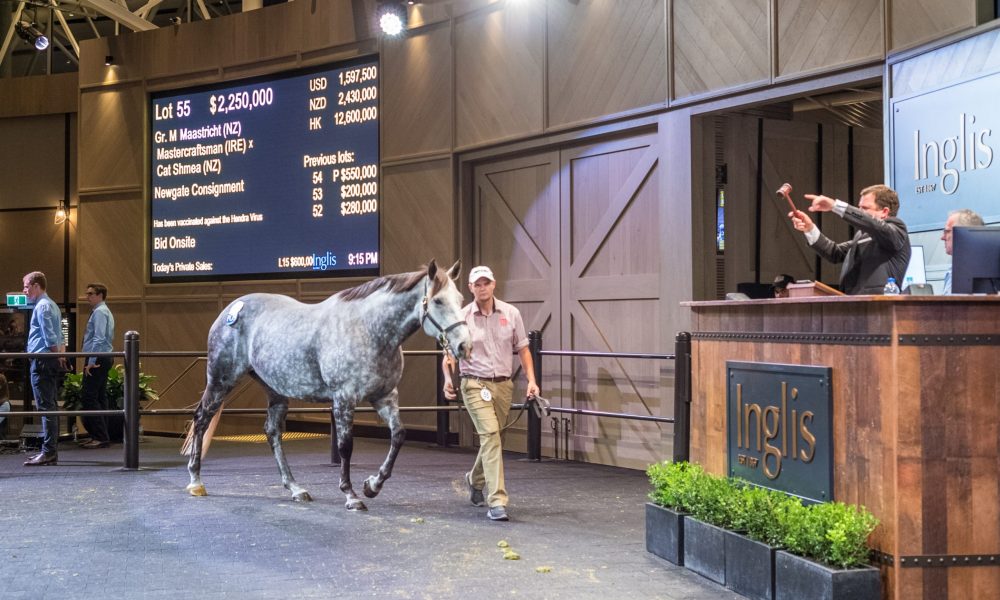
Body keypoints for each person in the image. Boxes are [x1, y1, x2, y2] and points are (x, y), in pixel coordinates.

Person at [442, 265, 539, 522]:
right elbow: (449, 355)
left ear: (494, 284)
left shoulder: (511, 313)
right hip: (474, 384)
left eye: (486, 283)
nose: (482, 287)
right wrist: (447, 379)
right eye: (478, 284)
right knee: (491, 436)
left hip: (503, 385)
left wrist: (532, 381)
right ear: (470, 288)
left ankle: (474, 480)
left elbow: (523, 349)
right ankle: (497, 501)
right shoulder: (461, 317)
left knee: (495, 438)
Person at [788, 184, 911, 295]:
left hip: (880, 306)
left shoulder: (897, 229)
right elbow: (835, 252)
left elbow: (875, 226)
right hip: (852, 304)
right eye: (859, 208)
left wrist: (835, 205)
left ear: (884, 212)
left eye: (865, 208)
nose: (859, 212)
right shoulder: (861, 236)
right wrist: (809, 228)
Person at [22, 271, 66, 466]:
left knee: (46, 407)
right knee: (50, 406)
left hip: (42, 361)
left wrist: (57, 355)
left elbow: (50, 338)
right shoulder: (52, 305)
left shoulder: (42, 306)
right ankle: (49, 451)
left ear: (36, 285)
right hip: (47, 360)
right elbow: (60, 336)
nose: (24, 291)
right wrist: (61, 356)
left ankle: (48, 452)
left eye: (26, 286)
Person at [79, 283, 115, 449]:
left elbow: (99, 339)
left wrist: (91, 362)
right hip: (103, 357)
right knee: (100, 397)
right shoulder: (103, 311)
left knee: (89, 396)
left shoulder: (100, 312)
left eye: (91, 294)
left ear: (100, 295)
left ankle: (100, 436)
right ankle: (101, 436)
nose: (87, 297)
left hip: (98, 358)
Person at [940, 208, 985, 294]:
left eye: (947, 232)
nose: (942, 238)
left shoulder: (980, 272)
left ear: (964, 234)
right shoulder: (954, 269)